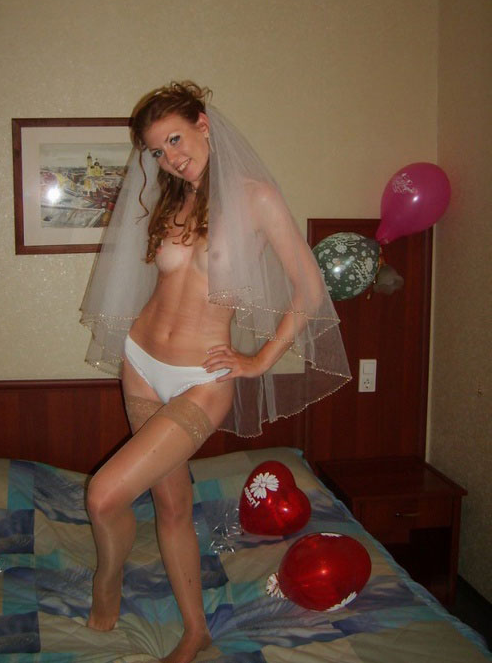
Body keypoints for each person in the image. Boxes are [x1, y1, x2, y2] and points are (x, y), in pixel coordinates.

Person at [80, 82, 350, 663]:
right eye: (158, 151)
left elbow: (309, 289)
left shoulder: (256, 198)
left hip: (202, 379)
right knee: (172, 507)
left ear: (203, 124)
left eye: (175, 139)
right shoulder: (173, 201)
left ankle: (108, 578)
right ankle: (196, 630)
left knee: (102, 497)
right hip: (141, 363)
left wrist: (260, 359)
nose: (170, 158)